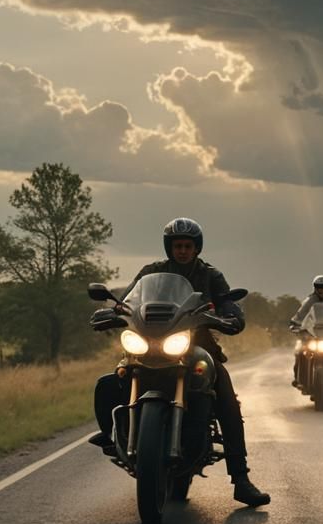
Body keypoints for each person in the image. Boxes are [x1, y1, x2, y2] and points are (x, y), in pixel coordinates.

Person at [89, 217, 270, 507]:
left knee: (226, 397)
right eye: (177, 245)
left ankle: (241, 479)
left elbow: (226, 302)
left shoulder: (210, 275)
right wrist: (112, 312)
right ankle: (113, 435)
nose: (182, 250)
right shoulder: (152, 271)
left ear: (196, 248)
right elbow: (127, 301)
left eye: (187, 246)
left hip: (194, 345)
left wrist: (230, 316)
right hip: (148, 343)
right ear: (169, 247)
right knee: (111, 381)